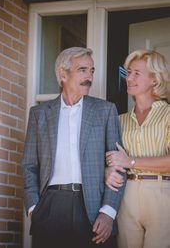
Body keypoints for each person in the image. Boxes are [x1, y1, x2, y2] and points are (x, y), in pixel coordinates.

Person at [21, 47, 126, 248]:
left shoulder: (105, 110)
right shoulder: (39, 114)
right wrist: (34, 208)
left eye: (92, 71)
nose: (89, 77)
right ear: (63, 74)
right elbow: (29, 166)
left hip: (92, 207)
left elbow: (118, 166)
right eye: (82, 70)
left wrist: (108, 212)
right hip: (50, 206)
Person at [105, 49, 170, 248]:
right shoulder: (119, 120)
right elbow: (110, 158)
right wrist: (108, 171)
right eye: (128, 72)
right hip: (126, 195)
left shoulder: (168, 115)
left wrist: (131, 161)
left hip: (162, 194)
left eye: (136, 73)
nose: (128, 78)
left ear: (154, 79)